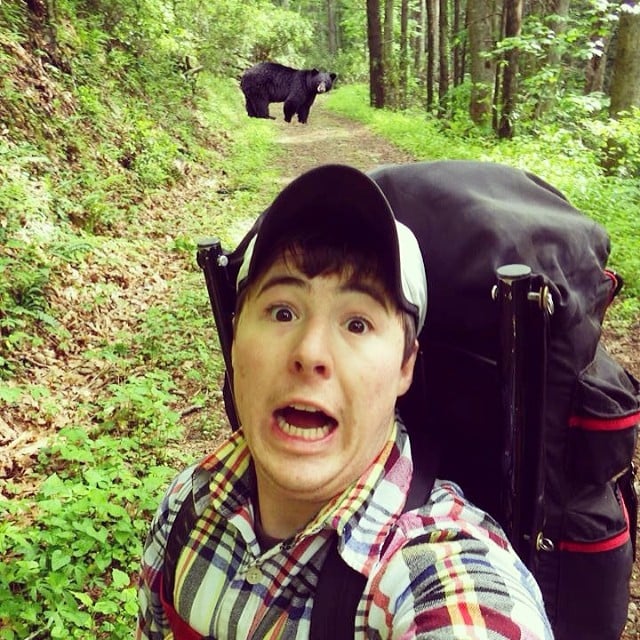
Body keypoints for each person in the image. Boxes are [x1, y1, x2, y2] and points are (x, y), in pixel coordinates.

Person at [136, 164, 553, 639]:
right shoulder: (185, 507)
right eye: (282, 310)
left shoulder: (436, 572)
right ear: (234, 341)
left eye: (357, 323)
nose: (310, 353)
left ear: (404, 366)